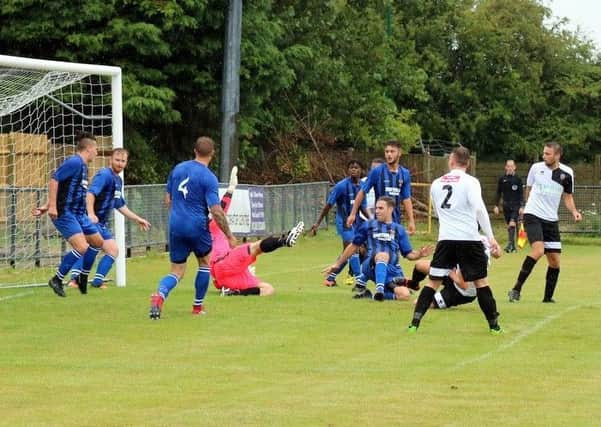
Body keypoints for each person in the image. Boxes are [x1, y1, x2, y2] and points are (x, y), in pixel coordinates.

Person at [408, 146, 503, 334]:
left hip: (446, 239)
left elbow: (437, 211)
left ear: (451, 161)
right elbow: (479, 209)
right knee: (481, 282)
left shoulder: (436, 183)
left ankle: (414, 324)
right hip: (468, 239)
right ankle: (494, 327)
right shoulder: (471, 182)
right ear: (467, 163)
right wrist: (491, 238)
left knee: (432, 282)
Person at [149, 136, 235, 320]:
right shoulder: (209, 178)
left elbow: (167, 201)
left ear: (195, 151)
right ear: (212, 154)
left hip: (175, 225)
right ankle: (197, 307)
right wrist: (229, 235)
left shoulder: (178, 169)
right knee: (204, 263)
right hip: (196, 226)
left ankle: (159, 295)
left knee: (176, 271)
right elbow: (216, 210)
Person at [210, 167, 304, 296]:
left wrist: (232, 187)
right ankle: (283, 240)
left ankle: (233, 292)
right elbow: (222, 207)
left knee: (268, 289)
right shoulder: (214, 225)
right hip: (224, 263)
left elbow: (223, 207)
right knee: (256, 247)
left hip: (227, 277)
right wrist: (231, 188)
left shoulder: (212, 226)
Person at [508, 142, 582, 303]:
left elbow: (568, 197)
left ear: (557, 155)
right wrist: (526, 207)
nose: (544, 156)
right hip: (533, 215)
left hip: (551, 220)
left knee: (555, 261)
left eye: (548, 154)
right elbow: (528, 189)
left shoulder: (567, 173)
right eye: (544, 153)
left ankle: (547, 298)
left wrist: (574, 211)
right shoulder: (536, 168)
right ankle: (516, 289)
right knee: (538, 250)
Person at [67, 149, 151, 289]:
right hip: (92, 220)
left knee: (112, 250)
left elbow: (120, 205)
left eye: (123, 161)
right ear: (110, 160)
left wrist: (137, 219)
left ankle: (97, 282)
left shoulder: (118, 180)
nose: (120, 163)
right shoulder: (104, 175)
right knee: (87, 246)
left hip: (101, 223)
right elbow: (90, 194)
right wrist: (91, 214)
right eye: (117, 160)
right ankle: (74, 280)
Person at [33, 131, 104, 297]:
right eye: (96, 149)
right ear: (88, 149)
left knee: (97, 242)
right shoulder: (74, 162)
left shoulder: (84, 167)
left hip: (79, 214)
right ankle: (57, 279)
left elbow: (66, 189)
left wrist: (47, 205)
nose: (97, 153)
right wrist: (52, 208)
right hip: (65, 213)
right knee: (81, 247)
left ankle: (82, 277)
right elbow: (54, 179)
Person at [322, 196, 432, 302]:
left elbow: (409, 254)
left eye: (381, 208)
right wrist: (337, 264)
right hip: (371, 266)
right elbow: (353, 246)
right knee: (383, 255)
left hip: (391, 270)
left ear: (390, 209)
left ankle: (371, 295)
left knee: (404, 295)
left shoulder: (399, 229)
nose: (377, 211)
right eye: (376, 208)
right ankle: (379, 289)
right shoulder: (368, 225)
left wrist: (420, 254)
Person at [309, 160, 366, 287]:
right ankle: (360, 281)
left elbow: (362, 207)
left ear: (361, 170)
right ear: (347, 170)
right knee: (354, 248)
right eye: (351, 167)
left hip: (356, 223)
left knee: (350, 251)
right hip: (344, 224)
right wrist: (318, 223)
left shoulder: (363, 186)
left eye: (356, 168)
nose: (354, 170)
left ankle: (330, 278)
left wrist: (373, 221)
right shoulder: (341, 186)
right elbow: (328, 206)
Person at [410, 236, 501, 309]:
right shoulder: (474, 239)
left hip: (462, 292)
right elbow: (498, 253)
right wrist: (496, 252)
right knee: (419, 265)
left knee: (418, 303)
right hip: (455, 273)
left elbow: (463, 285)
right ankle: (414, 285)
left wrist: (447, 269)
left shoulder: (471, 249)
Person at [346, 140, 415, 234]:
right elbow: (362, 192)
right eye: (387, 152)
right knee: (378, 247)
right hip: (379, 221)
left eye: (392, 151)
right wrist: (353, 214)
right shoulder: (377, 171)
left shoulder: (405, 173)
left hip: (396, 221)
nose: (389, 155)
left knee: (395, 247)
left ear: (399, 153)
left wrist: (411, 220)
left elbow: (406, 199)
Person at [493, 159, 524, 252]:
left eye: (512, 166)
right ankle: (513, 246)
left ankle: (510, 245)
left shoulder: (518, 179)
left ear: (515, 167)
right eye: (508, 166)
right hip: (506, 206)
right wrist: (496, 205)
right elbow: (498, 193)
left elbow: (521, 194)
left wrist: (522, 206)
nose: (510, 168)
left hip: (516, 206)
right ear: (506, 167)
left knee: (512, 223)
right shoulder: (502, 179)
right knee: (510, 226)